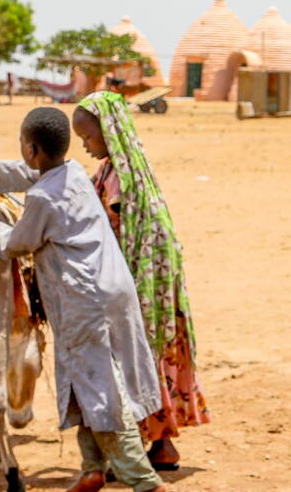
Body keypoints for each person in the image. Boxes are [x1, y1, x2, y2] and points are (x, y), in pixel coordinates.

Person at [0, 107, 166, 492]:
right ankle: (92, 470)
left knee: (102, 390)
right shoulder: (75, 177)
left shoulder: (44, 198)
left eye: (22, 148)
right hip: (111, 289)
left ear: (31, 149)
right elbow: (34, 175)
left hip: (83, 300)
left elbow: (15, 243)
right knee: (93, 381)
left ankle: (142, 480)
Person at [71, 91, 210, 470]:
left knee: (136, 356)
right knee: (149, 353)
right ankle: (161, 446)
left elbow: (112, 231)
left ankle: (138, 452)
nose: (86, 146)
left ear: (110, 132)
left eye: (89, 138)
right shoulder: (118, 168)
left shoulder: (120, 178)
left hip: (143, 279)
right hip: (155, 276)